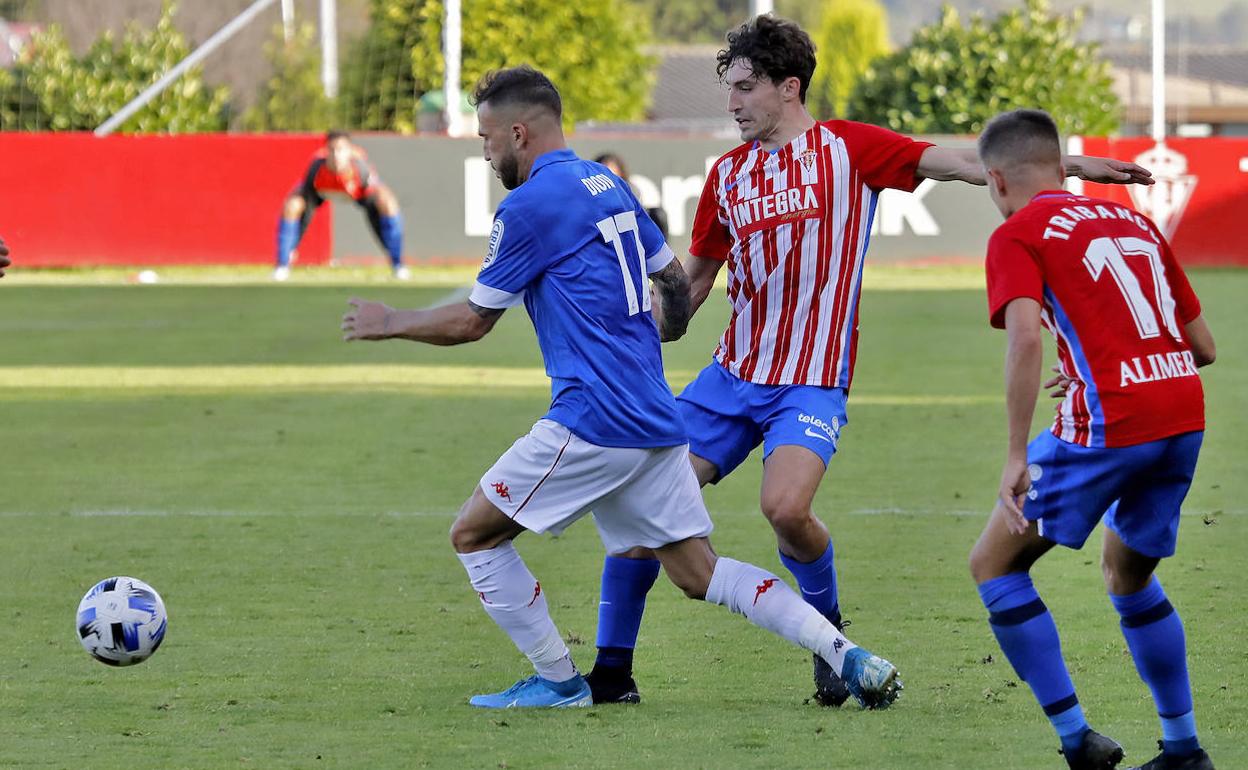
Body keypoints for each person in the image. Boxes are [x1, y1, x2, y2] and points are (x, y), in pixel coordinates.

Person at [585, 14, 1156, 708]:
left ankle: (828, 638)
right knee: (647, 500)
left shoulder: (849, 149)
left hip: (811, 381)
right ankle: (612, 673)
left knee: (786, 510)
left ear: (788, 86)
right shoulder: (727, 177)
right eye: (729, 89)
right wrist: (638, 327)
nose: (731, 103)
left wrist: (1069, 167)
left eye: (743, 88)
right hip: (729, 379)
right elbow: (694, 287)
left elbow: (963, 164)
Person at [341, 65, 902, 710]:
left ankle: (558, 680)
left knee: (473, 534)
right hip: (657, 422)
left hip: (590, 421)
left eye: (487, 136)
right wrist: (645, 339)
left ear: (519, 133)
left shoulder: (526, 206)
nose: (485, 149)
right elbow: (670, 277)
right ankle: (845, 652)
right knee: (701, 573)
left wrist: (392, 322)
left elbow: (473, 321)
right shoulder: (609, 184)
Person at [969, 109, 1216, 770]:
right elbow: (1203, 347)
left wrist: (1017, 454)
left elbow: (1025, 336)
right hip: (1181, 410)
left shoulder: (1018, 233)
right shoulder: (1135, 222)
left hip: (1113, 420)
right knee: (1127, 574)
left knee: (993, 565)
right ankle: (1185, 747)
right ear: (1062, 165)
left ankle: (1079, 740)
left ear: (995, 180)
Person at [274, 130, 409, 281]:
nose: (336, 155)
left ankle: (398, 264)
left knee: (388, 203)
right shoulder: (316, 167)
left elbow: (376, 195)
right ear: (326, 151)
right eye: (332, 150)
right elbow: (306, 204)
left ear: (349, 151)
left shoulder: (361, 169)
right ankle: (282, 264)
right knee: (292, 205)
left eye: (341, 149)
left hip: (355, 193)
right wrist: (294, 244)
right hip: (322, 192)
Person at [593, 153, 670, 240]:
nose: (610, 186)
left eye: (615, 179)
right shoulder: (592, 214)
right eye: (604, 182)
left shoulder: (632, 201)